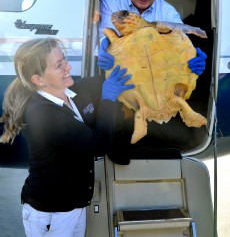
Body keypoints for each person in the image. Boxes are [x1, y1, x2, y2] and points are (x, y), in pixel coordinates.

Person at [0, 37, 134, 237]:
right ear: (39, 80)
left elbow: (118, 76)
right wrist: (108, 100)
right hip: (51, 212)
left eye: (65, 60)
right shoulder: (43, 114)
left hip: (73, 206)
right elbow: (98, 144)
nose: (68, 67)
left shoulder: (73, 93)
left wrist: (114, 54)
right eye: (59, 65)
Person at [98, 0, 207, 75]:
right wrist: (104, 47)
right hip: (118, 74)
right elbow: (106, 36)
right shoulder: (111, 2)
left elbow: (180, 45)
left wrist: (191, 55)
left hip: (154, 76)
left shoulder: (168, 12)